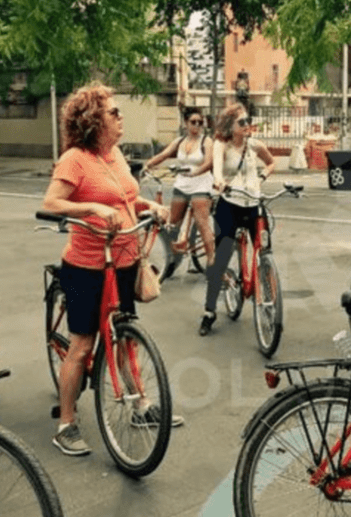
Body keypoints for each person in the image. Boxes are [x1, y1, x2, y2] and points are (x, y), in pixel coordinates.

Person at [41, 82, 180, 457]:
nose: (120, 118)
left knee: (125, 336)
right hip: (87, 265)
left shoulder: (114, 154)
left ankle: (139, 404)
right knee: (82, 344)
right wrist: (91, 210)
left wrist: (151, 207)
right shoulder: (75, 159)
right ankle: (66, 423)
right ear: (93, 120)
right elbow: (52, 202)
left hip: (123, 260)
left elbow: (127, 198)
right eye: (113, 112)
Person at [198, 104, 275, 336]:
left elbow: (271, 162)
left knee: (265, 253)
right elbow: (218, 169)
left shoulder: (254, 145)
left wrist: (262, 177)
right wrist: (219, 181)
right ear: (230, 126)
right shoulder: (222, 145)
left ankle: (269, 301)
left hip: (254, 204)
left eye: (248, 121)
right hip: (229, 204)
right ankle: (209, 311)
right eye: (241, 122)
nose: (246, 125)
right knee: (220, 259)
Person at [142, 107, 215, 271]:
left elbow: (209, 162)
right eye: (193, 122)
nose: (197, 125)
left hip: (201, 184)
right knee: (172, 224)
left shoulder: (206, 141)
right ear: (185, 123)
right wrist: (148, 165)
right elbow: (163, 155)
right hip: (182, 185)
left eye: (200, 122)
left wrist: (196, 172)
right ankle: (173, 259)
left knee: (202, 223)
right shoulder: (180, 141)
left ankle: (212, 262)